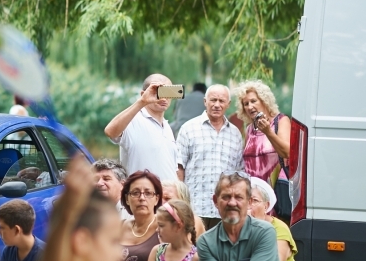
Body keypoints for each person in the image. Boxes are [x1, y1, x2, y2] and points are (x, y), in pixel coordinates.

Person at [177, 84, 244, 229]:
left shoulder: (235, 134)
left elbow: (239, 172)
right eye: (213, 100)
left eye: (221, 101)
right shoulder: (188, 129)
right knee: (193, 243)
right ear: (205, 101)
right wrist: (181, 202)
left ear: (228, 104)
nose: (217, 105)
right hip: (195, 207)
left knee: (222, 244)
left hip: (224, 208)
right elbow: (179, 168)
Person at [104, 74, 179, 182]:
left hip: (167, 192)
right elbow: (110, 131)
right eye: (158, 91)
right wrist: (142, 102)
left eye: (168, 92)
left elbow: (172, 168)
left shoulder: (167, 127)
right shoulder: (133, 120)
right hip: (141, 191)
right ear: (144, 94)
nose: (164, 97)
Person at [235, 80, 291, 223]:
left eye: (253, 101)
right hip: (252, 195)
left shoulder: (281, 121)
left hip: (274, 193)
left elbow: (287, 152)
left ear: (264, 100)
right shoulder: (249, 129)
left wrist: (268, 132)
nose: (250, 106)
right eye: (246, 104)